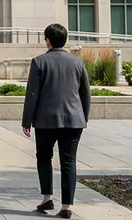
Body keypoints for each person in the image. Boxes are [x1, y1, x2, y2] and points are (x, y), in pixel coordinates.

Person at [22, 23, 92, 219]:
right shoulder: (77, 62)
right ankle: (66, 206)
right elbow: (85, 93)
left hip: (46, 121)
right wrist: (83, 117)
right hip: (74, 121)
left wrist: (27, 121)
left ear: (48, 41)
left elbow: (32, 94)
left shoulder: (39, 62)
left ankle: (47, 197)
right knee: (69, 161)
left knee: (44, 157)